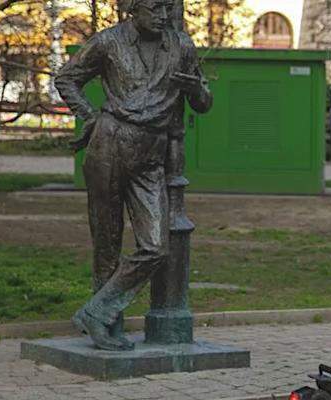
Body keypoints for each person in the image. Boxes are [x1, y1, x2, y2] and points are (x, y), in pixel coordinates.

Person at [55, 0, 212, 350]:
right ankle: (107, 327)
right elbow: (66, 78)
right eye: (154, 9)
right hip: (109, 145)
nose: (163, 16)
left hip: (150, 155)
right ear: (134, 10)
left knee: (156, 245)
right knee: (107, 244)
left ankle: (96, 311)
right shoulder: (108, 42)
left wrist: (195, 90)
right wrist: (90, 117)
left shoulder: (182, 45)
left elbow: (203, 102)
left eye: (167, 9)